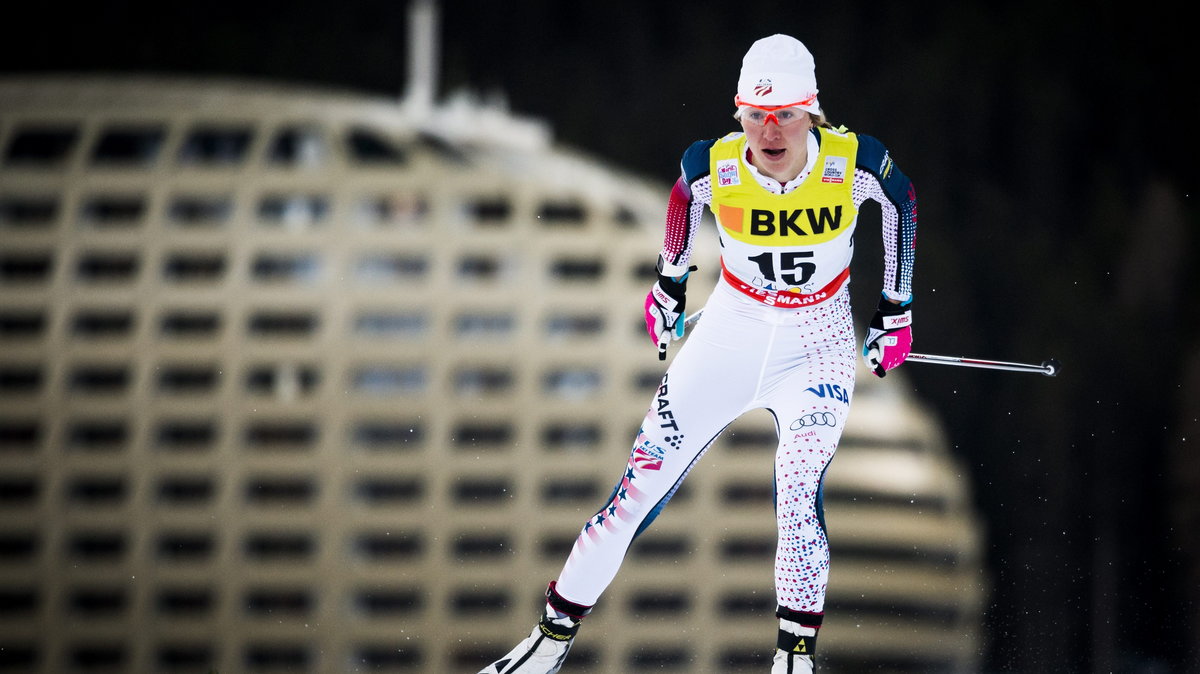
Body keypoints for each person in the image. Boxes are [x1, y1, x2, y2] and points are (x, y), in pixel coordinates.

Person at [478, 33, 917, 674]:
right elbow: (683, 203)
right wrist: (670, 284)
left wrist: (895, 309)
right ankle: (549, 640)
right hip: (729, 336)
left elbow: (901, 204)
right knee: (636, 489)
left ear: (813, 112)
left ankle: (794, 660)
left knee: (798, 490)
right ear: (738, 112)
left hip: (817, 345)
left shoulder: (852, 164)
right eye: (757, 115)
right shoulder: (714, 166)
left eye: (787, 115)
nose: (771, 132)